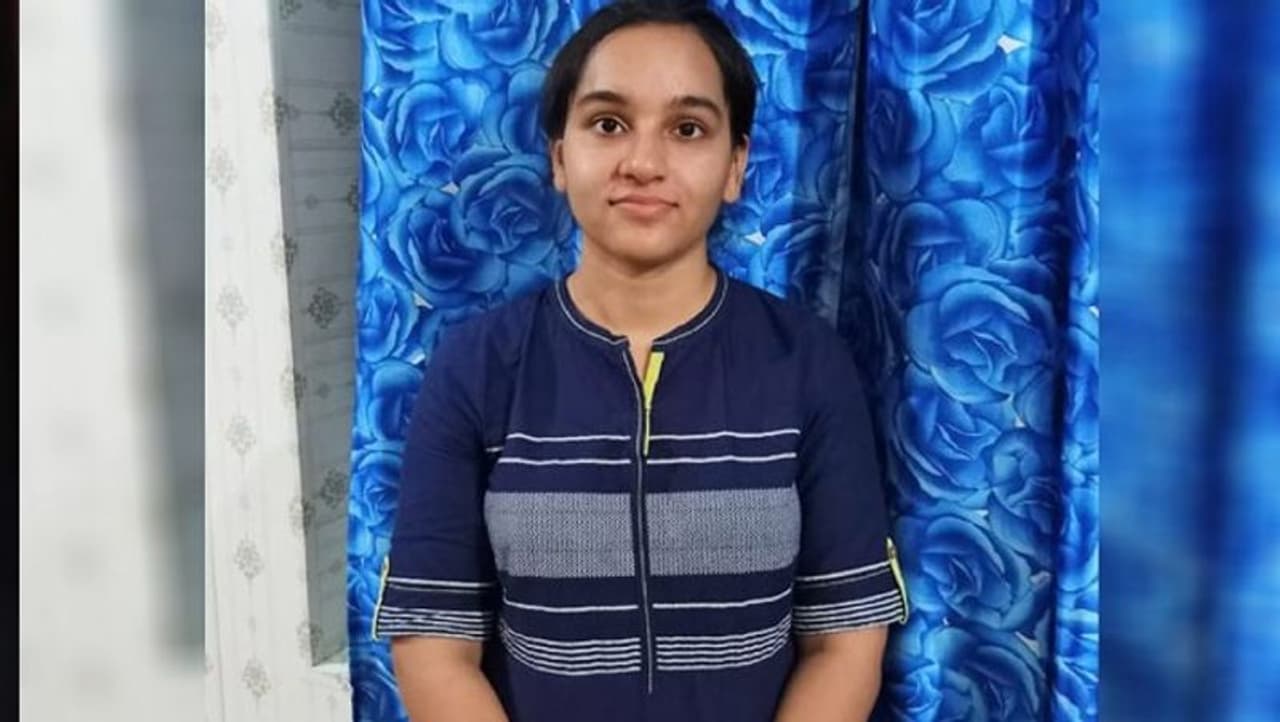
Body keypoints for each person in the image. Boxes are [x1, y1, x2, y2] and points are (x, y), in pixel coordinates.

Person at [372, 2, 908, 720]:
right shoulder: (475, 367)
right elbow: (433, 644)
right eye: (607, 123)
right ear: (559, 157)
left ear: (735, 166)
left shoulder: (808, 364)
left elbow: (843, 642)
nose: (644, 164)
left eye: (687, 129)